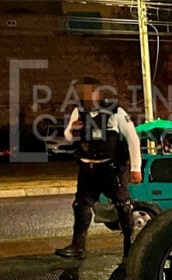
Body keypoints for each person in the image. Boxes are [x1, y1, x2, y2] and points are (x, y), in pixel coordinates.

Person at [55, 77, 142, 260]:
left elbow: (132, 138)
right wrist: (71, 129)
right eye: (81, 92)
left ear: (99, 93)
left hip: (111, 170)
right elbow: (68, 137)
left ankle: (130, 245)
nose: (84, 96)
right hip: (88, 171)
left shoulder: (115, 112)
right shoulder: (78, 112)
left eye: (88, 91)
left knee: (122, 205)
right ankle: (77, 246)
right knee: (81, 205)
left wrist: (136, 167)